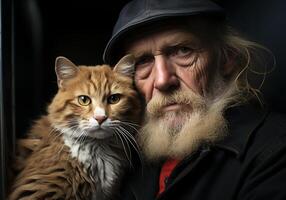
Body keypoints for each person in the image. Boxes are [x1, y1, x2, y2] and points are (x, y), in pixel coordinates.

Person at [103, 0, 286, 199]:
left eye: (183, 51)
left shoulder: (274, 150)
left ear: (227, 59)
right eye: (143, 61)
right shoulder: (126, 159)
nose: (163, 80)